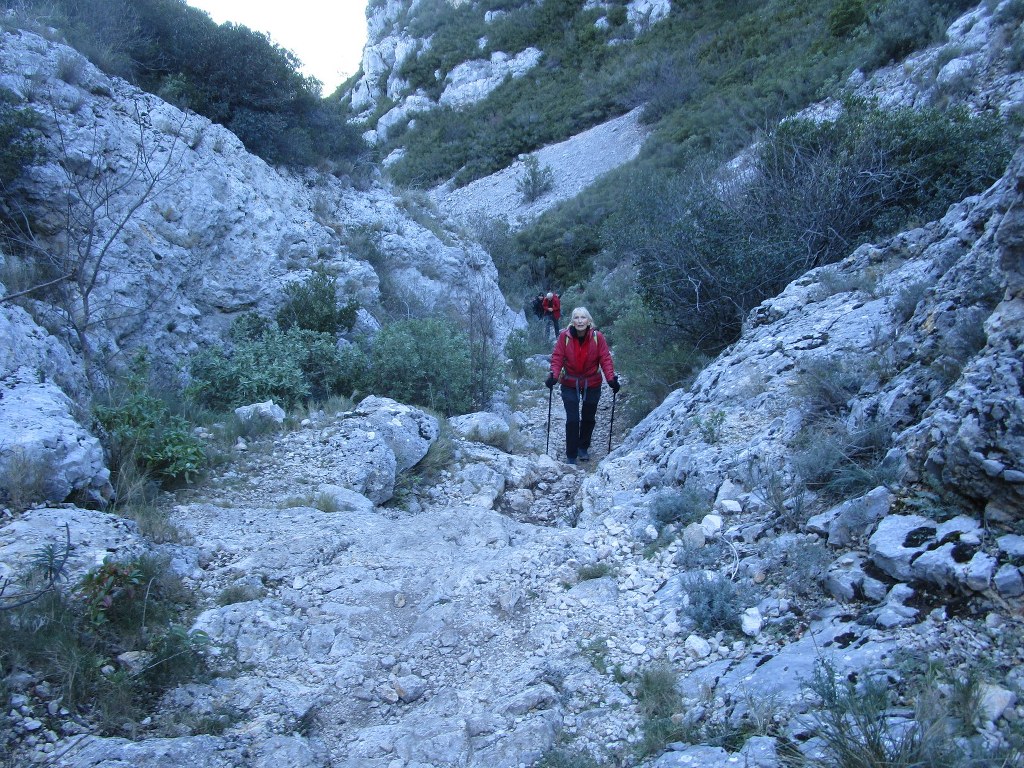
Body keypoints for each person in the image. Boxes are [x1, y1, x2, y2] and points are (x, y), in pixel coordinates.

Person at [545, 307, 620, 465]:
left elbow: (605, 358)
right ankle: (571, 454)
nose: (580, 321)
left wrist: (611, 379)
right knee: (572, 419)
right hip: (569, 382)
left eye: (583, 318)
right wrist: (553, 375)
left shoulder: (597, 337)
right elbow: (558, 357)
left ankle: (583, 447)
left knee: (588, 417)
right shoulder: (564, 337)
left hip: (591, 382)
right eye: (577, 318)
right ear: (572, 321)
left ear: (589, 321)